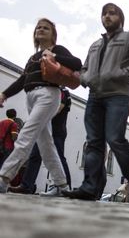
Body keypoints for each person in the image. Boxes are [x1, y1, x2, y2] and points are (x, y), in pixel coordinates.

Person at [62, 3, 129, 202]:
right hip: (94, 96)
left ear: (121, 17)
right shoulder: (95, 44)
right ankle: (90, 187)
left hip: (118, 95)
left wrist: (121, 74)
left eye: (112, 13)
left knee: (114, 138)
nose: (107, 17)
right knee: (94, 142)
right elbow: (84, 69)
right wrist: (85, 78)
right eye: (104, 14)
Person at [0, 18, 81, 195]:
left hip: (48, 94)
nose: (41, 30)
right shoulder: (32, 58)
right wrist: (4, 94)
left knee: (26, 135)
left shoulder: (56, 50)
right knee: (46, 144)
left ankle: (3, 178)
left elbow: (77, 63)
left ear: (53, 35)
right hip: (30, 97)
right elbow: (22, 80)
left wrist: (55, 57)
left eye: (46, 28)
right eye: (38, 27)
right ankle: (61, 186)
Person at [9, 87, 72, 195]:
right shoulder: (51, 90)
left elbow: (59, 108)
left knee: (59, 157)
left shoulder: (63, 92)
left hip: (56, 131)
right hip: (44, 130)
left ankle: (64, 187)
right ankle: (26, 185)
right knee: (34, 156)